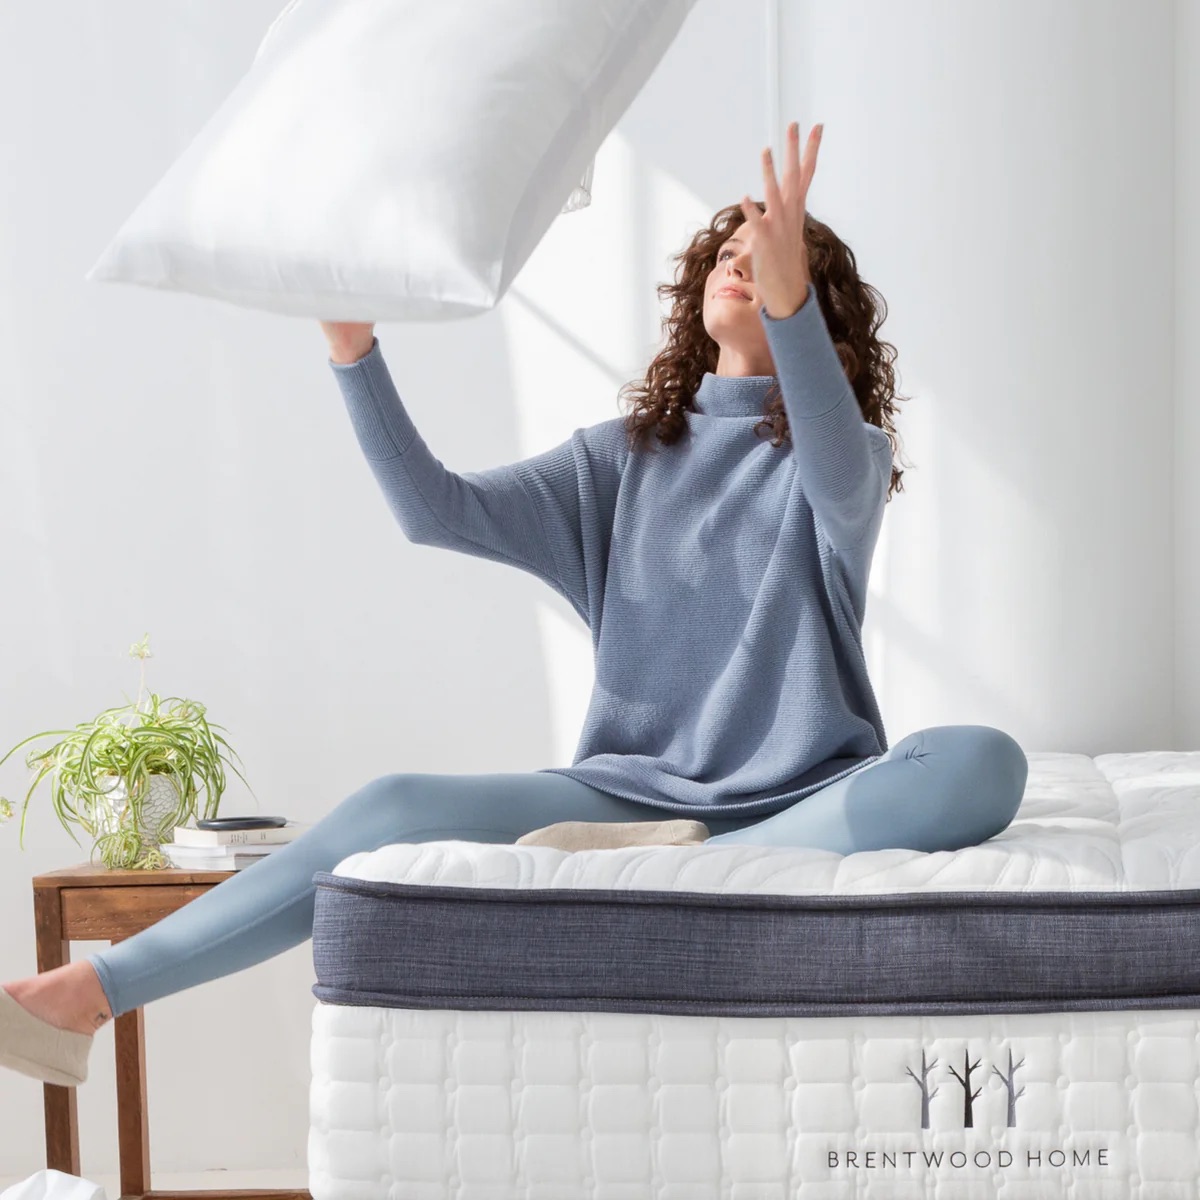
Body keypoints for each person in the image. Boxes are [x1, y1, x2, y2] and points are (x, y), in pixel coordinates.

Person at [0, 121, 1027, 1087]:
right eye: (728, 250)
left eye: (769, 257)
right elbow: (432, 511)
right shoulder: (622, 463)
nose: (740, 257)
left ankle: (703, 856)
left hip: (805, 800)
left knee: (983, 763)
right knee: (391, 802)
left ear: (820, 313)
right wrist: (353, 348)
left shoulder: (839, 460)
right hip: (623, 800)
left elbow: (840, 465)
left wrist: (792, 299)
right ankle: (88, 996)